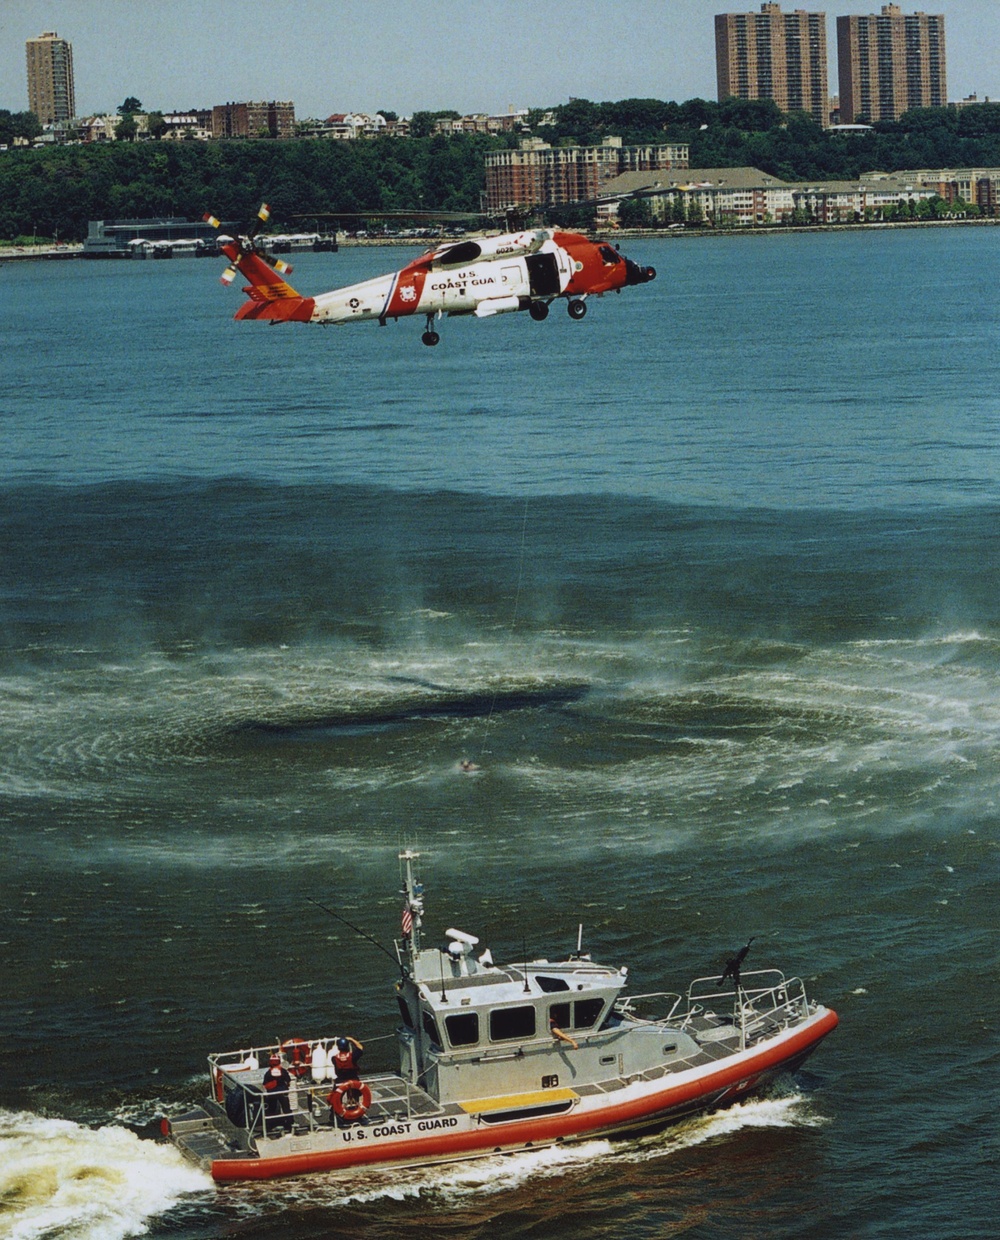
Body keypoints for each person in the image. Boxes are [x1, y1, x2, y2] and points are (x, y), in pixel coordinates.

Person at [260, 1052, 294, 1136]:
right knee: (286, 1108)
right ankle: (290, 1124)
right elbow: (288, 1080)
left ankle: (270, 1125)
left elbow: (265, 1083)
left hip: (272, 1093)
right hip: (282, 1092)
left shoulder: (268, 1073)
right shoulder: (283, 1071)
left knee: (271, 1109)